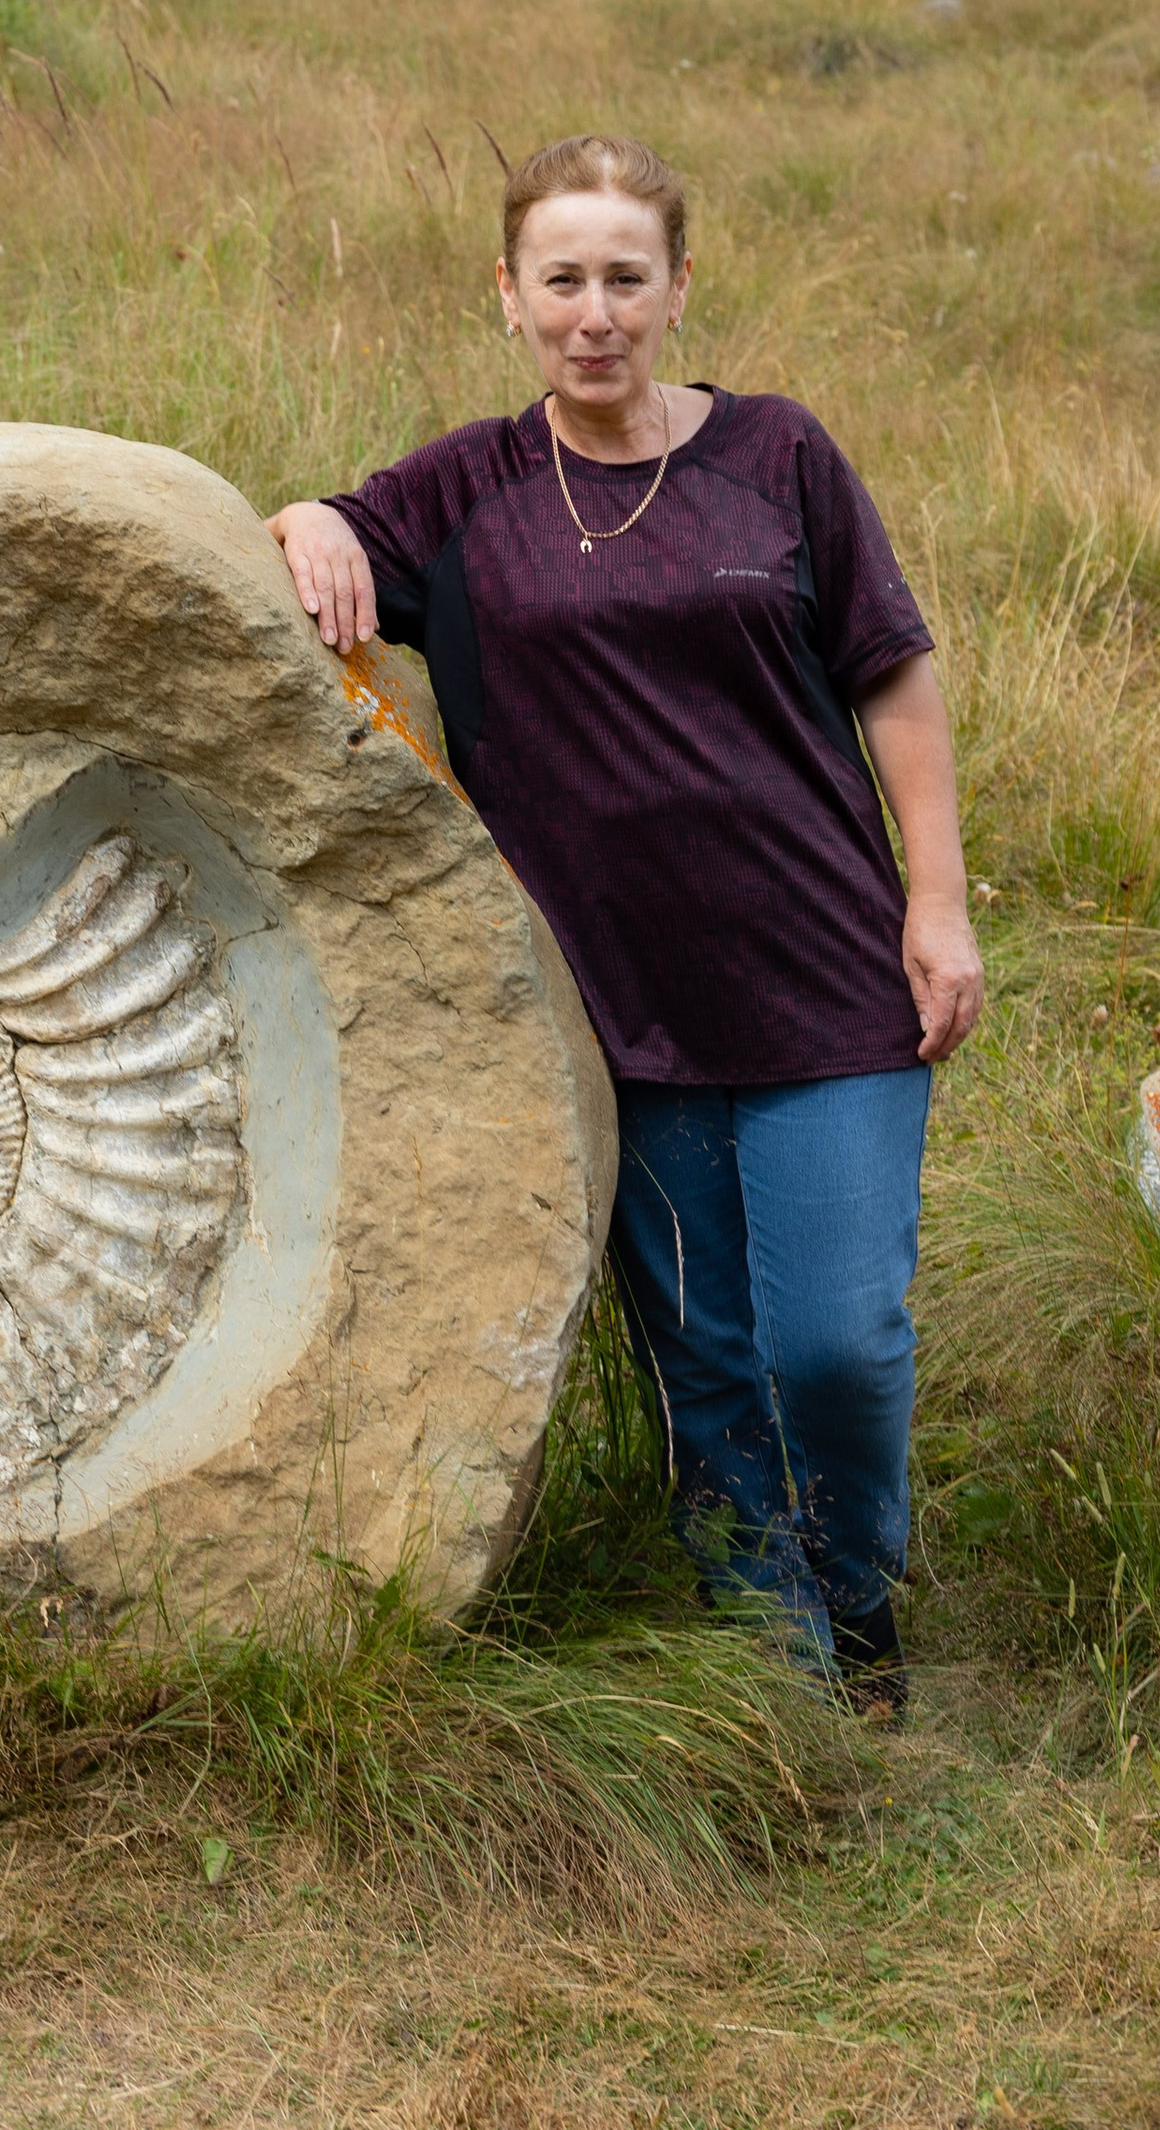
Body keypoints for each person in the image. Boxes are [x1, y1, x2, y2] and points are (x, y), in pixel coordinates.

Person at [268, 131, 981, 1709]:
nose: (595, 313)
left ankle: (857, 1587)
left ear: (674, 290)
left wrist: (938, 903)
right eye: (563, 279)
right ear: (510, 294)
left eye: (626, 279)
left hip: (825, 980)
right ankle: (776, 1661)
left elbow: (894, 674)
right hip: (613, 1021)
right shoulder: (464, 488)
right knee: (706, 1365)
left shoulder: (779, 455)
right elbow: (312, 558)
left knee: (837, 1345)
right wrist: (306, 515)